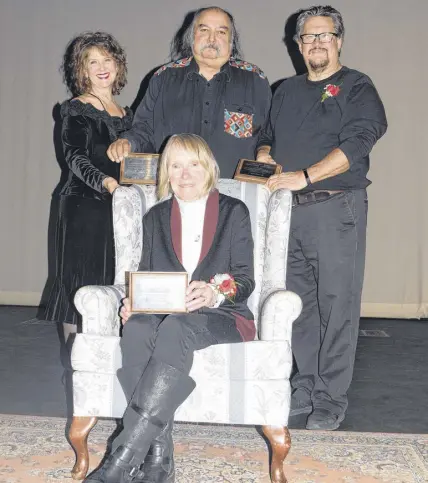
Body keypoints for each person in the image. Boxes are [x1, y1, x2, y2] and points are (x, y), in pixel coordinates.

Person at [84, 134, 255, 483]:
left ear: (207, 167)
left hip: (222, 316)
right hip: (165, 313)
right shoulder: (157, 216)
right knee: (136, 328)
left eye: (193, 164)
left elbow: (246, 280)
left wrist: (213, 292)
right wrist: (134, 301)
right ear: (166, 172)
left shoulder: (234, 212)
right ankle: (159, 458)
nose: (185, 173)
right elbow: (147, 275)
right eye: (176, 165)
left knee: (176, 329)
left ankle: (122, 458)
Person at [257, 5, 387, 430]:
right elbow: (267, 137)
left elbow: (360, 141)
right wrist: (264, 157)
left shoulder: (356, 86)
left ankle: (331, 399)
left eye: (324, 35)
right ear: (297, 45)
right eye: (308, 37)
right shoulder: (285, 90)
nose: (316, 43)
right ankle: (306, 386)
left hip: (335, 209)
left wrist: (305, 176)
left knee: (337, 307)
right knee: (299, 309)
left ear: (339, 40)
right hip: (287, 215)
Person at [107, 6, 271, 178]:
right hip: (175, 188)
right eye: (204, 30)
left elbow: (268, 133)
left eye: (221, 32)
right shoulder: (164, 78)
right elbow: (144, 128)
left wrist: (264, 151)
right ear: (192, 36)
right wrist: (127, 141)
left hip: (235, 192)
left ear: (232, 41)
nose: (212, 38)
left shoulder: (254, 80)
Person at [44, 32, 132, 343]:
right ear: (81, 71)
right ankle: (76, 368)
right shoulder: (76, 109)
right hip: (83, 206)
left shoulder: (127, 115)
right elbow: (74, 158)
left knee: (109, 283)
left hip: (118, 208)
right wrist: (107, 183)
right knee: (79, 286)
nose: (101, 67)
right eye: (92, 62)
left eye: (107, 60)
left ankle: (103, 362)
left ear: (118, 66)